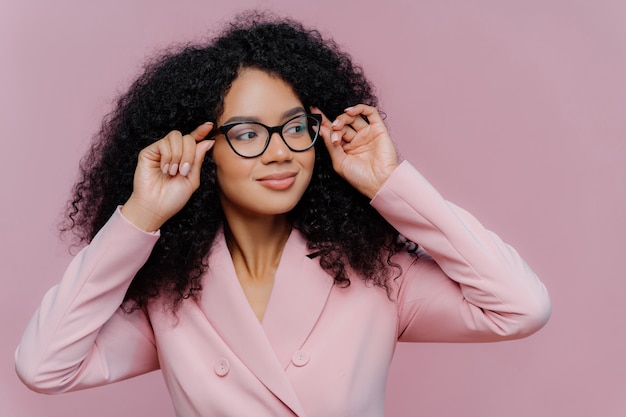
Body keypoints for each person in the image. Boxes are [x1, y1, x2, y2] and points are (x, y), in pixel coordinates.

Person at [15, 11, 551, 417]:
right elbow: (43, 366)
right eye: (248, 133)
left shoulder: (378, 276)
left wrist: (391, 184)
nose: (280, 151)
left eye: (295, 127)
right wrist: (139, 215)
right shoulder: (169, 294)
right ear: (204, 151)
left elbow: (521, 306)